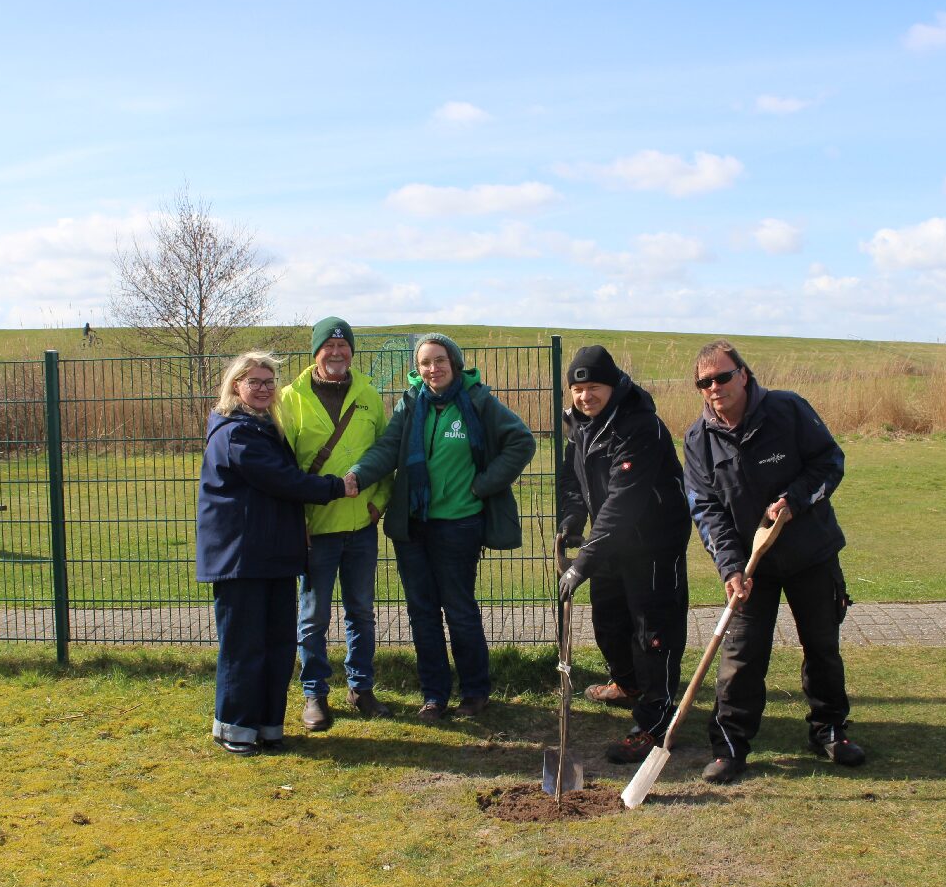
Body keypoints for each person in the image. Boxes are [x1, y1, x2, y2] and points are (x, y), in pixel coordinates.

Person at [682, 339, 864, 784]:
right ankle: (730, 747)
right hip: (751, 567)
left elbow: (830, 462)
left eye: (722, 377)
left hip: (810, 553)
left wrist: (795, 500)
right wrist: (730, 567)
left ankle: (829, 730)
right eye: (704, 383)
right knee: (741, 656)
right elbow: (706, 510)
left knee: (822, 647)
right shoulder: (698, 440)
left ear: (743, 375)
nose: (714, 387)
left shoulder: (788, 410)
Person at [350, 333, 536, 722]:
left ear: (454, 362)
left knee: (459, 610)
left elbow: (521, 441)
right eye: (425, 363)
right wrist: (358, 475)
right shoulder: (410, 403)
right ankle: (434, 696)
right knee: (422, 613)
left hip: (459, 525)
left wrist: (482, 485)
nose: (432, 369)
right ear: (417, 368)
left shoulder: (478, 401)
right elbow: (388, 449)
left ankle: (474, 692)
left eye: (439, 360)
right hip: (413, 526)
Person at [196, 351, 358, 756]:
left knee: (277, 646)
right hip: (242, 559)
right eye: (254, 382)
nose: (264, 389)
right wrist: (336, 487)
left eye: (269, 382)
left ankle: (269, 727)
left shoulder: (264, 427)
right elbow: (282, 480)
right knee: (244, 647)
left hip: (272, 555)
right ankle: (235, 728)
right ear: (236, 385)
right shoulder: (236, 433)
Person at [555, 346, 692, 764]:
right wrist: (572, 521)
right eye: (577, 389)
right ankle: (628, 685)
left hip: (653, 543)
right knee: (609, 622)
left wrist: (581, 564)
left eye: (593, 387)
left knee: (653, 633)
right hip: (611, 542)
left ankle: (655, 721)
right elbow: (573, 479)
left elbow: (623, 501)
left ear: (613, 386)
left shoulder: (639, 426)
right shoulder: (580, 425)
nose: (585, 396)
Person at [278, 317, 393, 730]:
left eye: (344, 346)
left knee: (361, 612)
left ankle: (361, 688)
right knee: (313, 617)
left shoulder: (368, 394)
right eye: (329, 346)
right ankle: (315, 693)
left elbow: (386, 453)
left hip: (361, 527)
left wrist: (378, 505)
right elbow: (283, 468)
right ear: (316, 352)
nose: (337, 353)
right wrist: (297, 520)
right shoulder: (289, 399)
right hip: (316, 529)